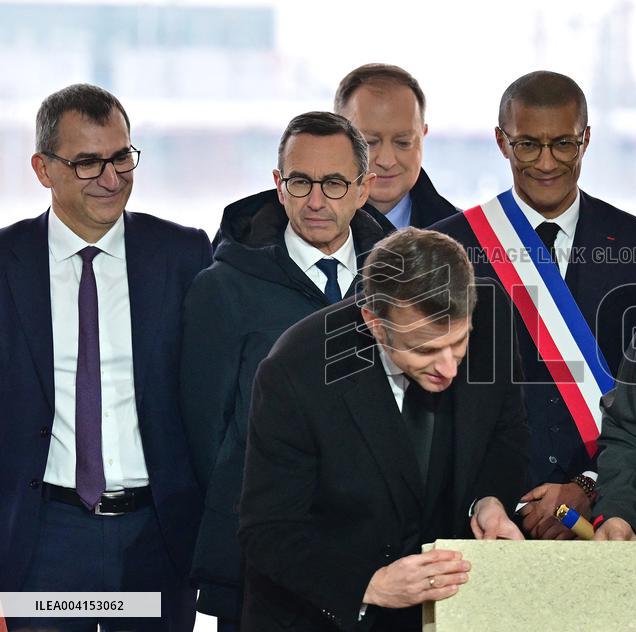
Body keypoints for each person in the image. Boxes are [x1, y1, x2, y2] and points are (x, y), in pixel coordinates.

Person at [238, 228, 530, 631]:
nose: (448, 368)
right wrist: (369, 585)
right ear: (375, 323)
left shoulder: (492, 317)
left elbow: (505, 434)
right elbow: (268, 531)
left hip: (449, 612)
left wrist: (489, 502)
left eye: (458, 343)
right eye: (425, 349)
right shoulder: (296, 371)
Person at [0, 83, 212, 631]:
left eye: (121, 157)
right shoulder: (5, 262)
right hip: (43, 541)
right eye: (88, 163)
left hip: (156, 537)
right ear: (44, 170)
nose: (112, 179)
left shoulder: (183, 256)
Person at [431, 70, 636, 540]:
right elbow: (442, 398)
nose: (547, 162)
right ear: (501, 141)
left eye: (564, 144)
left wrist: (588, 486)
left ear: (587, 139)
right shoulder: (455, 243)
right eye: (527, 144)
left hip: (607, 515)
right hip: (490, 520)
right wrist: (488, 497)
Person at [180, 111, 387, 629]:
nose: (315, 201)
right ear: (279, 185)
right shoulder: (224, 288)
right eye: (300, 182)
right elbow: (205, 434)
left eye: (335, 183)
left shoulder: (400, 283)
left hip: (379, 560)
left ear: (364, 189)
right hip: (261, 565)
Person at [335, 63, 457, 230]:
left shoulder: (466, 238)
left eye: (403, 143)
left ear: (423, 135)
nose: (387, 161)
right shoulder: (292, 233)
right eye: (368, 143)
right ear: (335, 138)